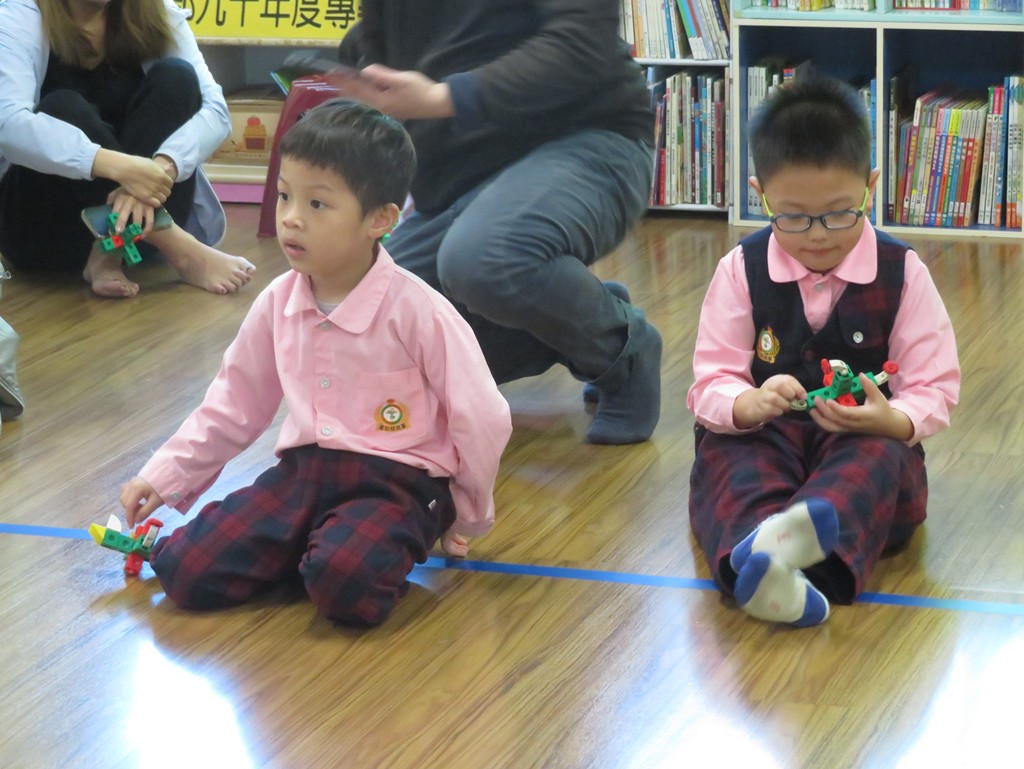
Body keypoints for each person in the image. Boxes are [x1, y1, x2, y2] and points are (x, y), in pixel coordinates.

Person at [118, 99, 513, 626]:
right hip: (302, 476)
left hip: (396, 487)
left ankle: (326, 557)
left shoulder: (420, 310)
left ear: (380, 219)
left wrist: (468, 510)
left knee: (347, 586)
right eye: (284, 196)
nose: (291, 218)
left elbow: (482, 416)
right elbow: (233, 404)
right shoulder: (277, 302)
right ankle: (315, 551)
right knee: (185, 571)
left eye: (318, 204)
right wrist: (164, 475)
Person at [322, 0, 662, 445]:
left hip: (588, 138)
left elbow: (580, 45)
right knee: (361, 324)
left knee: (485, 258)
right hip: (461, 174)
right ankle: (572, 320)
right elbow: (381, 44)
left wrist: (441, 98)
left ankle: (624, 352)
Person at [687, 76, 960, 628]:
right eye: (792, 216)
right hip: (767, 433)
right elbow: (711, 380)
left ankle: (783, 560)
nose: (817, 235)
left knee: (879, 461)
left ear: (870, 187)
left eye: (839, 213)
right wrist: (747, 403)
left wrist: (893, 420)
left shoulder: (902, 271)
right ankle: (762, 557)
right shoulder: (741, 268)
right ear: (760, 194)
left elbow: (933, 386)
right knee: (729, 458)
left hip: (862, 437)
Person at [0, 0, 255, 298]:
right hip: (50, 232)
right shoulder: (17, 13)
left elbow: (216, 112)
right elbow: (7, 122)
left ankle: (110, 248)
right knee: (61, 107)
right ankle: (179, 248)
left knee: (178, 77)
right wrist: (120, 168)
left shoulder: (156, 10)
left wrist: (159, 168)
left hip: (141, 233)